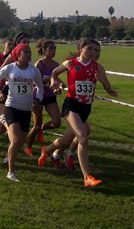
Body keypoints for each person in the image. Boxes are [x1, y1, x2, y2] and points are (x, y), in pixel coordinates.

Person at [38, 38, 118, 187]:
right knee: (83, 137)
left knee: (67, 139)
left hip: (85, 108)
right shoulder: (71, 63)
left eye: (97, 50)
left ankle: (48, 151)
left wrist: (107, 86)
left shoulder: (98, 67)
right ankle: (87, 177)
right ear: (81, 48)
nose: (94, 52)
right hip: (71, 105)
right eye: (91, 49)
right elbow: (55, 73)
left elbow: (107, 86)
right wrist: (54, 82)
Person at [0, 44, 44, 181]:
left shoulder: (34, 70)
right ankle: (11, 172)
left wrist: (38, 99)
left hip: (26, 109)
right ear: (18, 55)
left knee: (20, 141)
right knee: (14, 140)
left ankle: (8, 156)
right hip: (12, 106)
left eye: (29, 52)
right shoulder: (10, 68)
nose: (29, 54)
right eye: (25, 52)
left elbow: (40, 88)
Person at [24, 39, 62, 157]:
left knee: (57, 122)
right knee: (35, 125)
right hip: (38, 96)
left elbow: (56, 78)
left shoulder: (56, 65)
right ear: (44, 50)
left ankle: (42, 128)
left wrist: (60, 84)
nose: (53, 51)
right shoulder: (39, 64)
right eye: (51, 48)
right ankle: (28, 146)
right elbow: (33, 82)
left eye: (54, 48)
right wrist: (45, 80)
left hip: (50, 96)